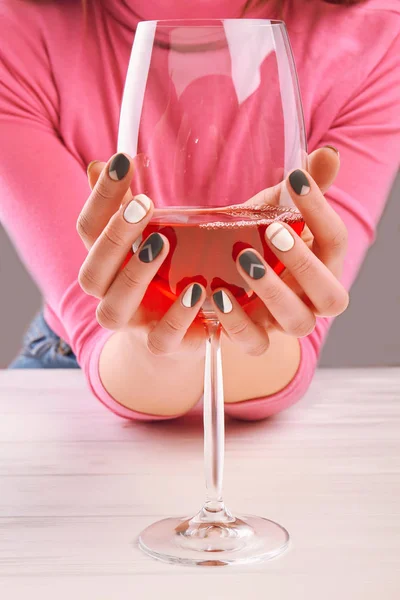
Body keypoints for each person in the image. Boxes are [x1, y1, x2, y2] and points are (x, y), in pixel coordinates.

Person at [0, 0, 399, 420]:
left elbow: (281, 354)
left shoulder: (373, 36)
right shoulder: (14, 32)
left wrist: (266, 326)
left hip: (258, 399)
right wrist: (149, 340)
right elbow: (103, 337)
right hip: (74, 377)